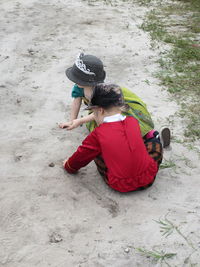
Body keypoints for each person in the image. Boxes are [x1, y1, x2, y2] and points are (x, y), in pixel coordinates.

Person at [63, 84, 162, 192]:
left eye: (94, 113)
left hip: (121, 184)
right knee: (153, 145)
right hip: (148, 177)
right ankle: (153, 136)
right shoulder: (132, 121)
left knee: (97, 152)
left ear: (100, 111)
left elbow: (81, 156)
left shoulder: (98, 134)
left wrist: (69, 166)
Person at [59, 53, 170, 147]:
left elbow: (101, 111)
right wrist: (72, 120)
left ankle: (153, 138)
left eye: (76, 78)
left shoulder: (100, 90)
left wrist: (81, 121)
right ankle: (150, 139)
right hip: (101, 112)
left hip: (118, 108)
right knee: (111, 132)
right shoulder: (79, 87)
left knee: (127, 129)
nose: (74, 81)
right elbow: (76, 102)